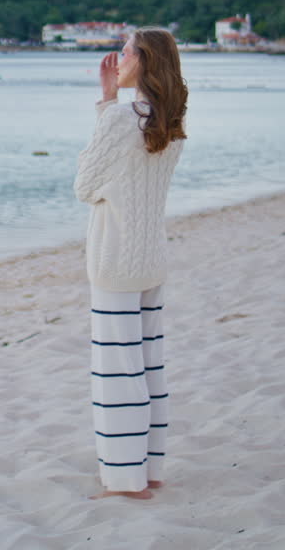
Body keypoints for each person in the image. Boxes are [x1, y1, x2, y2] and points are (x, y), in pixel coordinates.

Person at [74, 27, 188, 500]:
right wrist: (109, 102)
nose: (116, 59)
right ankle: (151, 468)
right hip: (149, 259)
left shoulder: (121, 120)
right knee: (148, 368)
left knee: (118, 373)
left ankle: (125, 481)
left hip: (116, 262)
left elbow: (85, 186)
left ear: (143, 61)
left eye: (123, 52)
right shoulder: (171, 121)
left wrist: (105, 103)